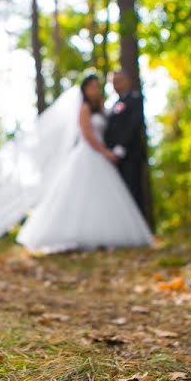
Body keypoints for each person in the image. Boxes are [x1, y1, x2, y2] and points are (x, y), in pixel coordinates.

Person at [15, 74, 153, 253]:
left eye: (98, 86)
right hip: (89, 154)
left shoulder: (104, 109)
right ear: (85, 90)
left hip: (104, 157)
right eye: (93, 86)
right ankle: (72, 235)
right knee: (80, 194)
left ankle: (103, 236)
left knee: (103, 198)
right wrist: (106, 152)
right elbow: (87, 135)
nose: (96, 89)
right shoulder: (84, 108)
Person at [104, 71, 148, 216]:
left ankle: (140, 231)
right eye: (114, 83)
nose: (117, 85)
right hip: (114, 158)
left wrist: (121, 146)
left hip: (131, 154)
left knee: (134, 189)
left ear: (127, 81)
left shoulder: (135, 99)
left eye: (119, 81)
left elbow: (134, 124)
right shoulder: (113, 105)